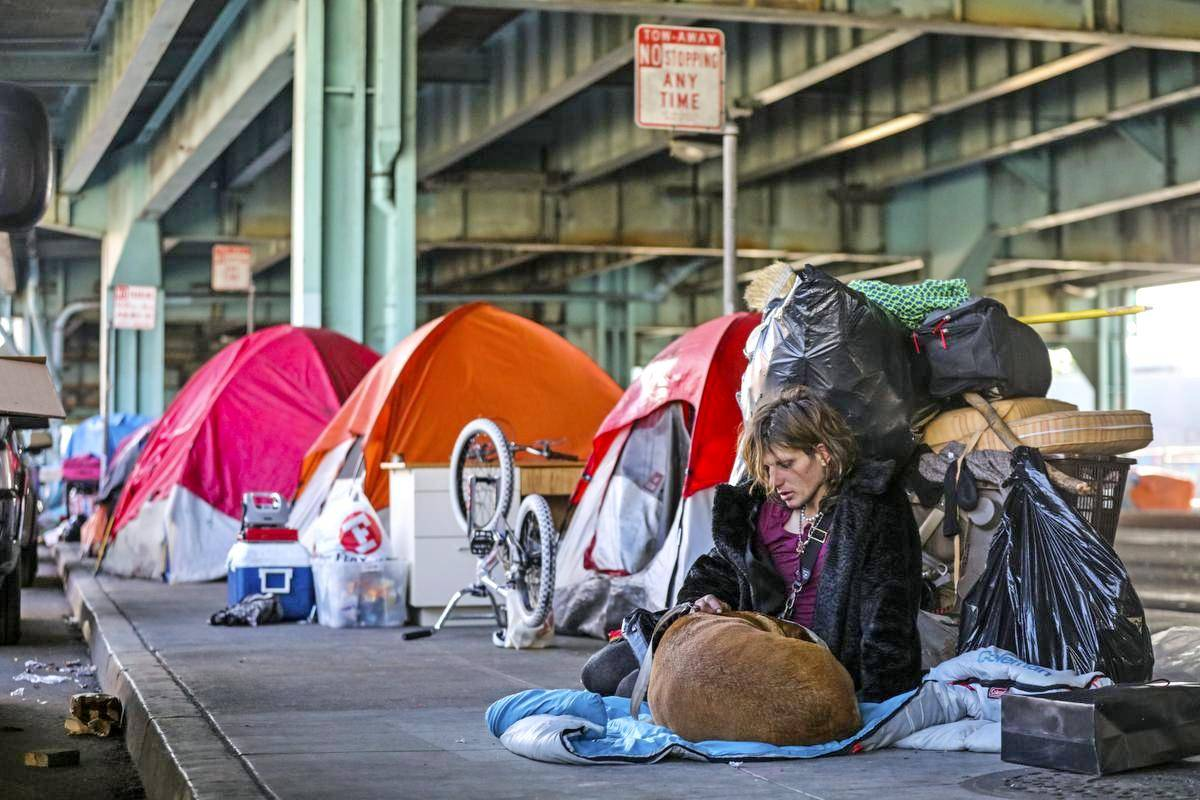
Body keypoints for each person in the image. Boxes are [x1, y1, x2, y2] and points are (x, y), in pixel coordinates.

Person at [581, 386, 923, 704]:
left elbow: (888, 613)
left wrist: (876, 699)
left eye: (787, 464)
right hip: (746, 635)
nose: (775, 481)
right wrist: (704, 600)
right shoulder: (760, 504)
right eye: (768, 467)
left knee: (633, 690)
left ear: (824, 454)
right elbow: (718, 569)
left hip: (810, 661)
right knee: (600, 671)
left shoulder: (872, 506)